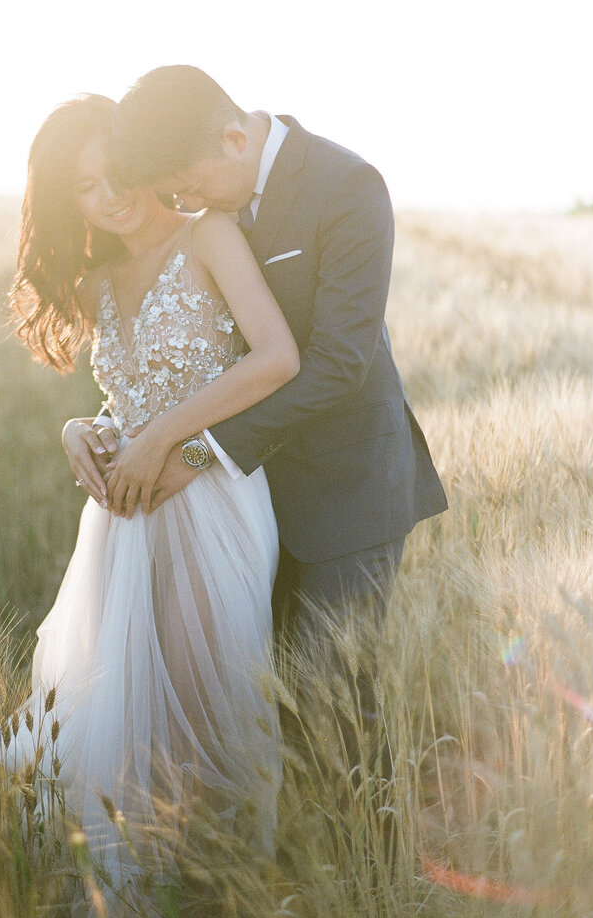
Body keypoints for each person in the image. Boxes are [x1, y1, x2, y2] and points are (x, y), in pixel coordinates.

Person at [0, 94, 299, 918]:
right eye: (85, 188)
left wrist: (169, 439)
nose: (110, 197)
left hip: (210, 503)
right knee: (129, 711)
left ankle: (220, 897)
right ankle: (143, 892)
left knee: (206, 703)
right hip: (124, 520)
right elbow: (126, 395)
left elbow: (276, 356)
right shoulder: (99, 278)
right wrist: (84, 428)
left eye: (115, 172)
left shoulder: (208, 233)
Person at [64, 66, 448, 766]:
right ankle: (281, 869)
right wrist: (107, 427)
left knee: (335, 706)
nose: (184, 204)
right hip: (246, 502)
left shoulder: (348, 188)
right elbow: (193, 353)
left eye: (190, 187)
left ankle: (368, 869)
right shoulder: (211, 207)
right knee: (257, 710)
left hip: (346, 487)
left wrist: (198, 451)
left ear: (234, 138)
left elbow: (338, 362)